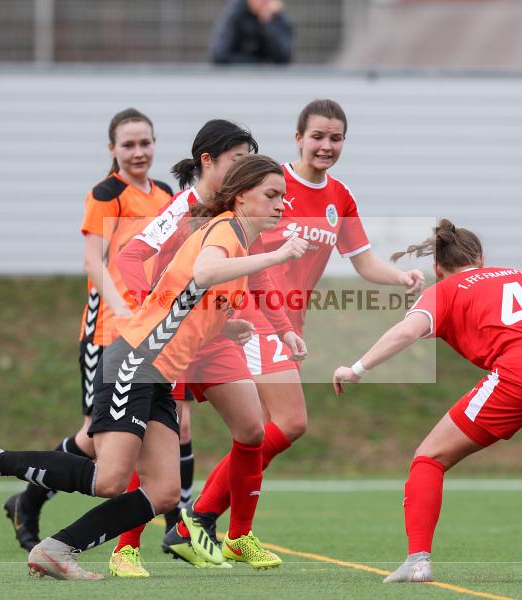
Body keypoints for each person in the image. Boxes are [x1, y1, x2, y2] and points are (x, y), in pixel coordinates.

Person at [0, 154, 309, 581]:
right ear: (241, 195)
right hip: (136, 361)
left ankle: (57, 549)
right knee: (110, 479)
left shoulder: (237, 242)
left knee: (163, 491)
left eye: (283, 196)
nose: (281, 204)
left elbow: (186, 302)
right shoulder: (224, 231)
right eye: (271, 195)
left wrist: (227, 328)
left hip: (159, 373)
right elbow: (207, 270)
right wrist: (277, 256)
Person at [182, 99, 423, 550]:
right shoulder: (271, 183)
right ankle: (201, 516)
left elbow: (363, 261)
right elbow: (233, 236)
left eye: (335, 138)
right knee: (287, 422)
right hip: (251, 313)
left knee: (265, 430)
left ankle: (203, 517)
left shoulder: (340, 196)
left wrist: (399, 278)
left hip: (286, 320)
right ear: (298, 138)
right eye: (317, 136)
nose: (325, 146)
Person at [333, 219, 522, 583]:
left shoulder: (445, 289)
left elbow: (406, 331)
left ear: (437, 268)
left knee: (429, 458)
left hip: (521, 375)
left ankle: (418, 561)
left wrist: (357, 368)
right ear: (481, 257)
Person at [110, 120, 305, 573]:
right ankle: (125, 548)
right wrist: (159, 313)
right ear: (209, 161)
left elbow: (257, 273)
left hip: (214, 339)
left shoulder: (240, 217)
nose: (248, 170)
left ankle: (239, 538)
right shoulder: (183, 208)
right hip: (171, 340)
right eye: (239, 160)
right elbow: (129, 256)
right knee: (158, 440)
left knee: (253, 430)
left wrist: (281, 327)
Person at [2, 108, 173, 556]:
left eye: (145, 142)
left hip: (150, 336)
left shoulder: (165, 195)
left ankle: (27, 498)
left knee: (101, 439)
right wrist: (122, 310)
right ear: (113, 149)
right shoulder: (106, 194)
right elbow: (92, 261)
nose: (138, 152)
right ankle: (28, 496)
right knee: (97, 438)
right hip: (106, 335)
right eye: (128, 145)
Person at [210, 0, 293, 64]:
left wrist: (267, 22)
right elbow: (219, 55)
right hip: (235, 78)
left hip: (269, 80)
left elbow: (284, 58)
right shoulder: (234, 14)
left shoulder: (277, 17)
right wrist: (258, 64)